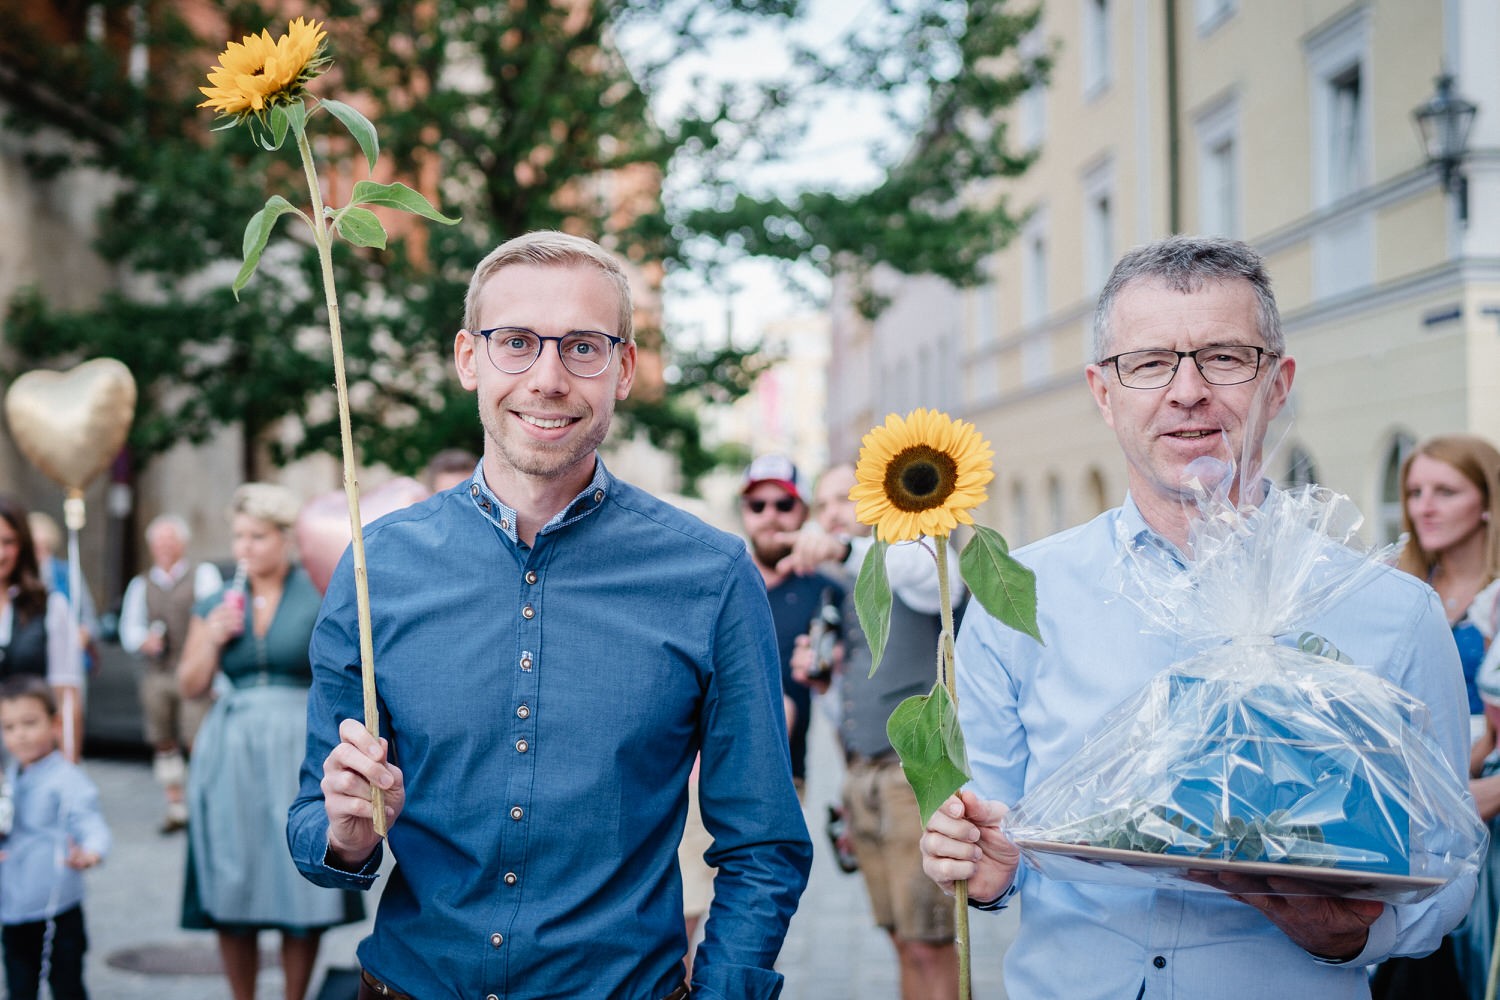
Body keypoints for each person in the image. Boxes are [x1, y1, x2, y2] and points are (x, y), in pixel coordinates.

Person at [918, 235, 1477, 998]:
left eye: (1224, 357)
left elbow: (1450, 867)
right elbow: (991, 830)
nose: (1187, 391)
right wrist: (981, 872)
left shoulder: (1392, 614)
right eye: (1148, 363)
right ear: (1102, 392)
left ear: (1278, 384)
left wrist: (1357, 934)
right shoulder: (1025, 597)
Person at [288, 230, 811, 999]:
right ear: (469, 358)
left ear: (624, 369)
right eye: (516, 342)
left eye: (583, 348)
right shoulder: (377, 570)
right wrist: (346, 831)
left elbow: (763, 842)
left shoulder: (711, 576)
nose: (548, 377)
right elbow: (311, 823)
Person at [176, 483, 362, 1000]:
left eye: (256, 536)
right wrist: (212, 637)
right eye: (238, 537)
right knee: (233, 874)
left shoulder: (320, 590)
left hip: (296, 744)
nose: (244, 548)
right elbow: (190, 686)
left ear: (284, 539)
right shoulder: (217, 600)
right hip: (231, 749)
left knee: (293, 881)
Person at [786, 462, 963, 1000]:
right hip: (862, 778)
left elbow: (934, 575)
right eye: (825, 504)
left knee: (930, 943)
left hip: (915, 781)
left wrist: (842, 551)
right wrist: (826, 681)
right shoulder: (839, 587)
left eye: (847, 498)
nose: (834, 513)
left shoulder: (918, 553)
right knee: (899, 942)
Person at [1381, 434, 1500, 999]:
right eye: (1414, 491)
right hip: (1412, 812)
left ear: (1487, 502)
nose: (1423, 506)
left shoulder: (1496, 599)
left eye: (1445, 491)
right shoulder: (1399, 596)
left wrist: (1485, 789)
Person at [0, 674, 111, 1000]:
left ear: (54, 724)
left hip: (56, 908)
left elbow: (90, 821)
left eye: (29, 723)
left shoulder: (66, 779)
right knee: (19, 986)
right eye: (9, 727)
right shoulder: (10, 775)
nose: (20, 735)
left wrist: (92, 851)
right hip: (14, 906)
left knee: (67, 986)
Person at [739, 452, 844, 793]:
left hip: (789, 783)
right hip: (714, 779)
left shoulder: (831, 593)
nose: (770, 516)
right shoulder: (720, 586)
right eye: (758, 505)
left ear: (804, 512)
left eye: (784, 504)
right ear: (745, 511)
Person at [117, 514, 224, 833]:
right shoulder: (141, 584)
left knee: (198, 739)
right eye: (159, 541)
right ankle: (176, 806)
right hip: (159, 673)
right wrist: (143, 641)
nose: (164, 547)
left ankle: (204, 802)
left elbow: (214, 619)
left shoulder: (202, 575)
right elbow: (129, 629)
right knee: (163, 739)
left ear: (182, 544)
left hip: (195, 671)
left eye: (170, 540)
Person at [0, 498, 81, 762]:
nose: (0, 553)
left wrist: (69, 765)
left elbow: (66, 693)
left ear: (22, 547)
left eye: (8, 542)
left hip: (28, 757)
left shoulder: (49, 607)